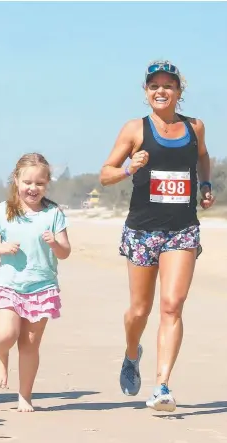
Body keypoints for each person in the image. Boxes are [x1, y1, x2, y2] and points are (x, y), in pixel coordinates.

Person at [99, 60, 215, 412]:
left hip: (182, 229)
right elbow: (105, 174)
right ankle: (132, 352)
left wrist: (206, 184)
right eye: (154, 86)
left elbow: (204, 156)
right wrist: (127, 168)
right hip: (142, 230)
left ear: (180, 92)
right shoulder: (135, 128)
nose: (161, 91)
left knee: (172, 306)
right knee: (139, 310)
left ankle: (162, 386)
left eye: (169, 85)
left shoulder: (195, 127)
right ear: (146, 92)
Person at [0, 153, 71, 412]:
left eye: (39, 184)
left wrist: (55, 243)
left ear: (47, 184)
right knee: (6, 334)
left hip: (41, 287)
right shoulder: (4, 210)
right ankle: (0, 355)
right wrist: (1, 247)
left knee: (30, 346)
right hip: (9, 284)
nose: (33, 188)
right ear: (16, 180)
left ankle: (25, 396)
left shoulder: (53, 213)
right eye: (27, 182)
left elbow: (65, 251)